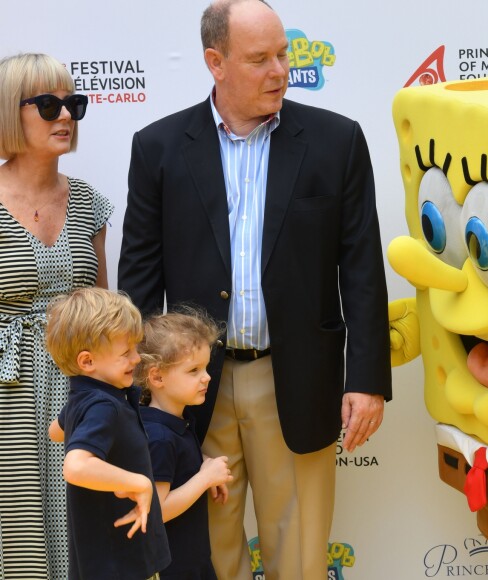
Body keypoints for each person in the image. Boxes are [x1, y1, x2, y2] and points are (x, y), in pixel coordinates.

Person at [118, 0, 391, 577]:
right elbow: (139, 280)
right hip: (190, 386)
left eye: (283, 54)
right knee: (208, 552)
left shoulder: (335, 141)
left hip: (295, 378)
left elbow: (361, 269)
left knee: (299, 553)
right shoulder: (158, 148)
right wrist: (139, 388)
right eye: (260, 58)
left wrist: (366, 381)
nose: (279, 71)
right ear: (215, 62)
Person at [0, 52, 113, 579]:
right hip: (8, 391)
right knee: (15, 530)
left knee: (81, 528)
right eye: (48, 105)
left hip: (77, 394)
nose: (65, 116)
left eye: (73, 104)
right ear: (9, 111)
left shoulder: (89, 203)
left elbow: (105, 316)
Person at [45, 287, 171, 580]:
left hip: (109, 558)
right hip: (120, 563)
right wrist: (138, 483)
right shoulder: (103, 406)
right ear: (87, 362)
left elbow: (56, 431)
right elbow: (75, 467)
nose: (137, 358)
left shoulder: (86, 400)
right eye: (126, 352)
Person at [134, 309, 234, 579]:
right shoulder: (158, 437)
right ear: (156, 377)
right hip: (172, 569)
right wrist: (204, 479)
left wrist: (205, 464)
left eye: (205, 367)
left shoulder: (177, 423)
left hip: (192, 562)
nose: (207, 377)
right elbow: (157, 512)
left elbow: (179, 464)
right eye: (193, 371)